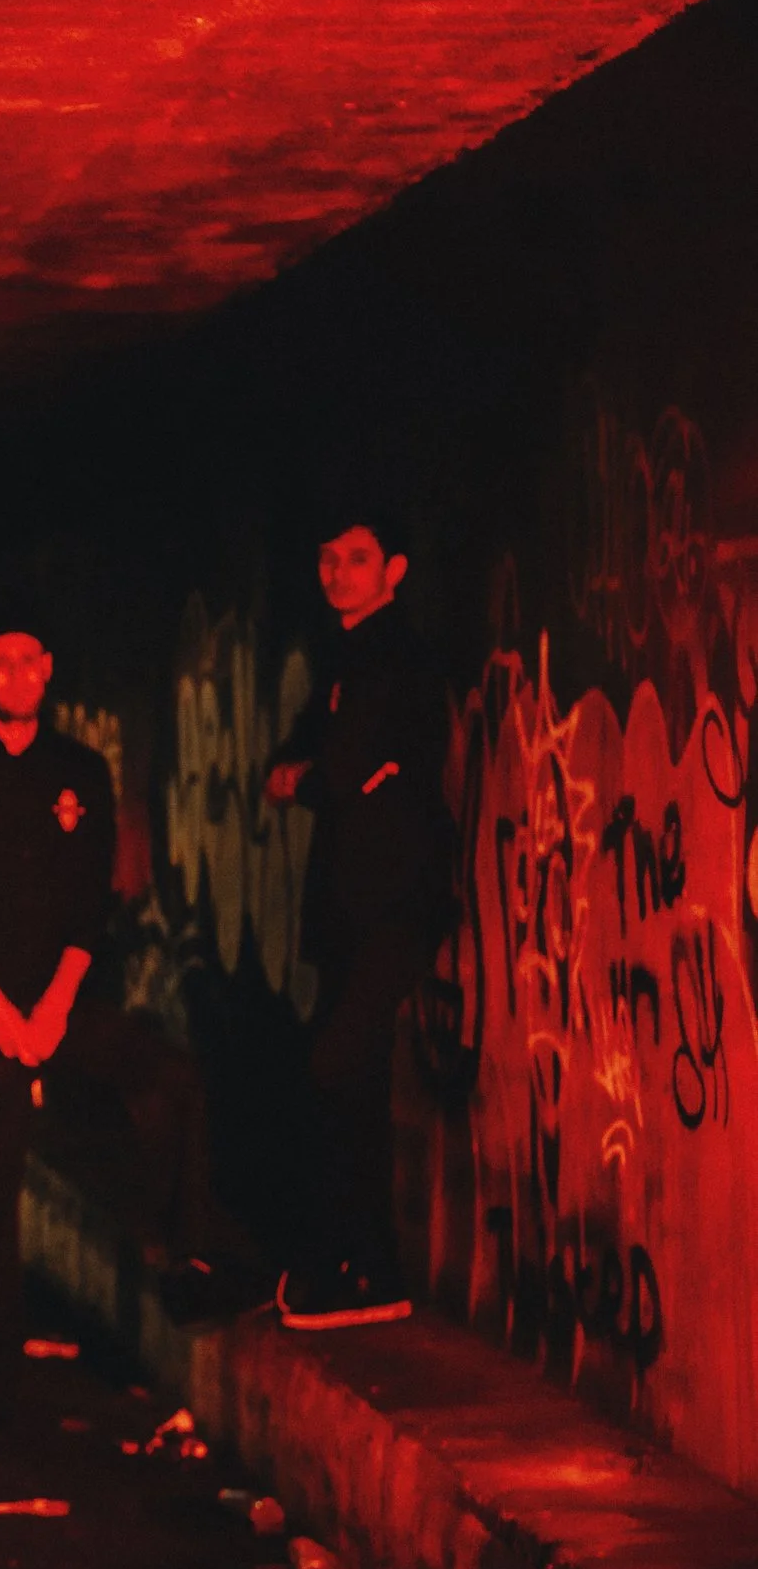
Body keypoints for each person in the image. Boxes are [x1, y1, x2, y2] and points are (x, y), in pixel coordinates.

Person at [0, 606, 214, 1403]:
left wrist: (49, 1014)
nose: (15, 675)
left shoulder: (79, 770)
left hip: (58, 1000)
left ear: (48, 668)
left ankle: (179, 1253)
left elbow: (89, 906)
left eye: (29, 659)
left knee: (168, 1080)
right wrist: (4, 1019)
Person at [265, 521, 451, 1329]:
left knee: (334, 1069)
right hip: (350, 905)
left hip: (394, 905)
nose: (338, 571)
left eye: (358, 559)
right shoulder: (344, 657)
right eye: (327, 557)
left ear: (396, 569)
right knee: (355, 1078)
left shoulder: (392, 657)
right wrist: (318, 769)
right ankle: (368, 1267)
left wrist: (318, 772)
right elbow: (303, 762)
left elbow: (327, 775)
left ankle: (355, 1264)